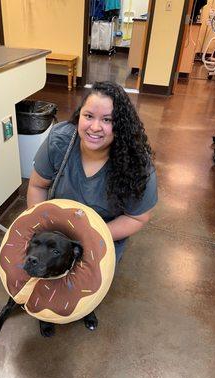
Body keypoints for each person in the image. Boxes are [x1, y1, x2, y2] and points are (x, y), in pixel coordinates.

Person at [27, 81, 157, 264]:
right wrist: (41, 226)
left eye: (107, 120)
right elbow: (37, 185)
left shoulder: (137, 164)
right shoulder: (60, 140)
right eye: (88, 116)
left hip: (103, 234)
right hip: (55, 232)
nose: (95, 127)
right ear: (79, 115)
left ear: (120, 125)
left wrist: (91, 236)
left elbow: (136, 218)